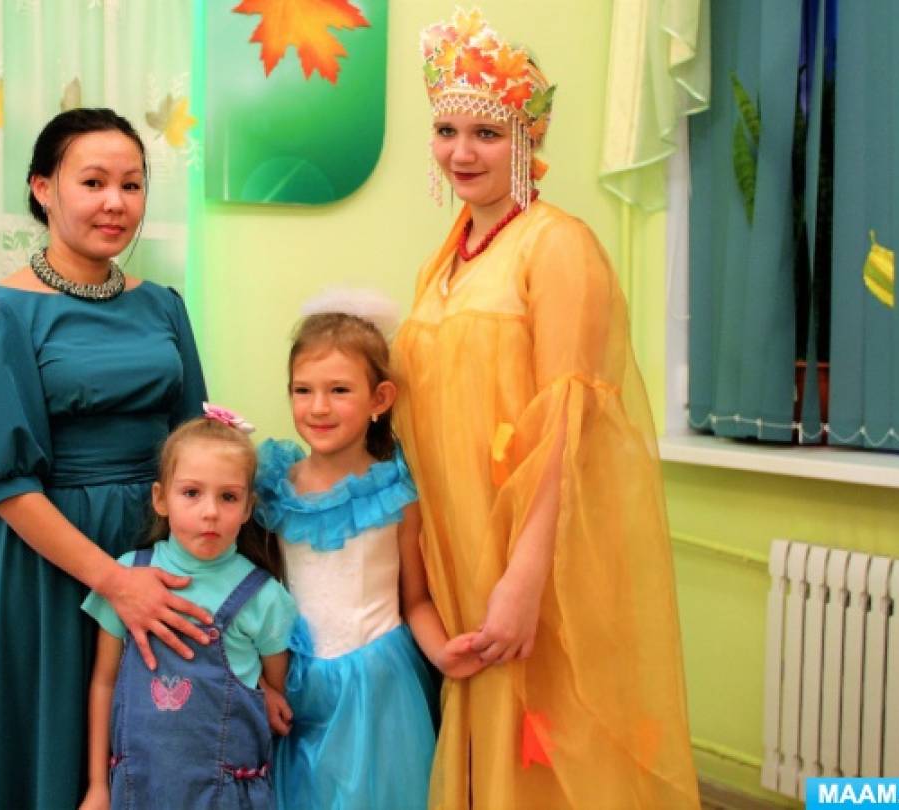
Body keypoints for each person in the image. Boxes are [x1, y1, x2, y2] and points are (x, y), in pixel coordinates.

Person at [389, 9, 700, 809]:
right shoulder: (444, 262)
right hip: (462, 550)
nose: (461, 153)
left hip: (534, 557)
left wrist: (524, 579)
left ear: (527, 137)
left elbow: (568, 426)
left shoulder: (557, 245)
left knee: (549, 743)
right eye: (446, 130)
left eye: (486, 134)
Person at [0, 107, 211, 809]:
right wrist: (113, 582)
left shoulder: (163, 306)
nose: (115, 203)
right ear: (43, 189)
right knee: (60, 758)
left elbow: (193, 446)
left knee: (166, 750)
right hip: (54, 568)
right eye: (92, 182)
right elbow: (6, 486)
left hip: (157, 557)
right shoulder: (2, 312)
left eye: (131, 185)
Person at [255, 292, 473, 810]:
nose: (318, 407)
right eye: (303, 390)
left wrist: (443, 653)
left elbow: (414, 599)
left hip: (379, 684)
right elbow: (258, 597)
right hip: (298, 683)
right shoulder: (273, 489)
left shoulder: (397, 493)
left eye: (339, 390)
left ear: (380, 399)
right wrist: (263, 681)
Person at [79, 411, 297, 810]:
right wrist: (97, 785)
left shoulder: (263, 597)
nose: (210, 511)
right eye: (192, 493)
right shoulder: (126, 579)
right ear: (161, 499)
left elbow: (273, 691)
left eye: (228, 497)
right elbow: (104, 683)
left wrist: (262, 689)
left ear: (248, 508)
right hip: (137, 792)